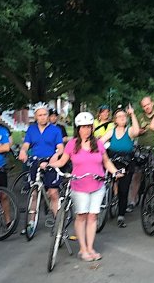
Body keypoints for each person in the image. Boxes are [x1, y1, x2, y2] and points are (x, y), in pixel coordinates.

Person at [50, 112, 121, 261]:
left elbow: (106, 161)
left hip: (97, 184)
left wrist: (115, 171)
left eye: (89, 127)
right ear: (78, 128)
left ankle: (90, 247)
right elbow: (63, 162)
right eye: (83, 127)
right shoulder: (72, 144)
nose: (86, 130)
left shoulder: (98, 144)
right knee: (81, 216)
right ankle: (82, 249)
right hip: (79, 185)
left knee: (93, 216)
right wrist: (49, 164)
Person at [18, 103, 64, 215]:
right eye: (40, 115)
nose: (43, 117)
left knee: (53, 192)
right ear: (35, 117)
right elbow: (26, 144)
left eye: (45, 114)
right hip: (36, 161)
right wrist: (23, 151)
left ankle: (57, 221)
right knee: (34, 192)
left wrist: (56, 155)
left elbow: (60, 147)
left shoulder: (55, 130)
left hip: (50, 161)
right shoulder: (31, 129)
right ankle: (31, 222)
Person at [100, 105, 139, 227]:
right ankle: (107, 200)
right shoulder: (111, 132)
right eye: (119, 116)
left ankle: (121, 215)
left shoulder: (129, 131)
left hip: (126, 162)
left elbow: (137, 131)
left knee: (124, 188)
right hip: (112, 161)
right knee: (104, 182)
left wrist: (132, 114)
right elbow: (100, 143)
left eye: (124, 116)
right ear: (115, 120)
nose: (122, 118)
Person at [129, 96, 154, 209]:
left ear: (152, 103)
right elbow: (134, 130)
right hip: (141, 149)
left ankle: (153, 201)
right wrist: (139, 131)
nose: (147, 107)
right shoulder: (140, 116)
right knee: (137, 175)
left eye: (148, 104)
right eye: (144, 106)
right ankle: (132, 200)